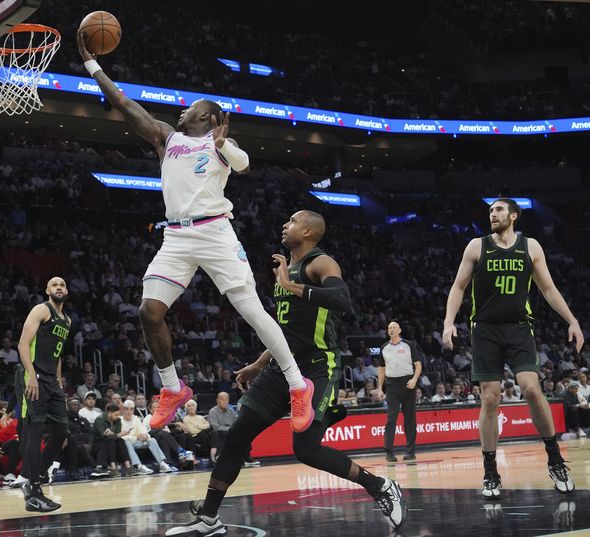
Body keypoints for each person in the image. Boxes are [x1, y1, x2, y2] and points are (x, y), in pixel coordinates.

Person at [77, 35, 314, 433]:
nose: (184, 111)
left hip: (215, 233)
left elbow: (243, 164)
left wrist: (227, 146)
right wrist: (91, 64)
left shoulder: (219, 143)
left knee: (253, 313)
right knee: (148, 312)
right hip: (176, 238)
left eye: (192, 109)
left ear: (208, 118)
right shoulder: (168, 139)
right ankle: (173, 388)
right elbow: (123, 103)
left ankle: (297, 384)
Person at [167, 211, 407, 535]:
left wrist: (292, 286)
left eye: (292, 221)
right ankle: (209, 517)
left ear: (308, 231)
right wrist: (259, 363)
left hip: (319, 367)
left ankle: (379, 485)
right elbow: (283, 331)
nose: (284, 225)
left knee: (305, 449)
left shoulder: (320, 263)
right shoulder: (288, 270)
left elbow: (342, 299)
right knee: (237, 435)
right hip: (283, 365)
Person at [443, 198, 583, 498]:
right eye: (490, 211)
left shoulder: (530, 246)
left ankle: (555, 458)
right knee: (490, 398)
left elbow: (547, 288)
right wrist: (448, 321)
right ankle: (491, 471)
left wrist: (572, 320)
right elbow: (458, 286)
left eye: (498, 210)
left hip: (519, 328)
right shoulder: (476, 246)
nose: (492, 214)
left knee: (531, 388)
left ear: (514, 215)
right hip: (484, 329)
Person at [15, 277, 71, 512]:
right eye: (54, 284)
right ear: (47, 290)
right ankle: (34, 490)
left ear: (66, 291)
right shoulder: (41, 309)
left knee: (60, 432)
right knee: (35, 430)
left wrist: (59, 383)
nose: (58, 287)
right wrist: (32, 375)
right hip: (33, 376)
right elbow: (22, 344)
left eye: (62, 284)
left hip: (51, 380)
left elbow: (57, 355)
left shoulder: (66, 320)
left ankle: (35, 476)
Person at [379, 321, 422, 462]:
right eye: (389, 328)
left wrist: (415, 379)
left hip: (408, 383)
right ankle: (389, 452)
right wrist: (380, 388)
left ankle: (411, 451)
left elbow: (418, 364)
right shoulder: (384, 347)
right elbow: (381, 368)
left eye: (394, 327)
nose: (391, 330)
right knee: (391, 418)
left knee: (410, 418)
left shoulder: (409, 345)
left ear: (399, 330)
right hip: (391, 384)